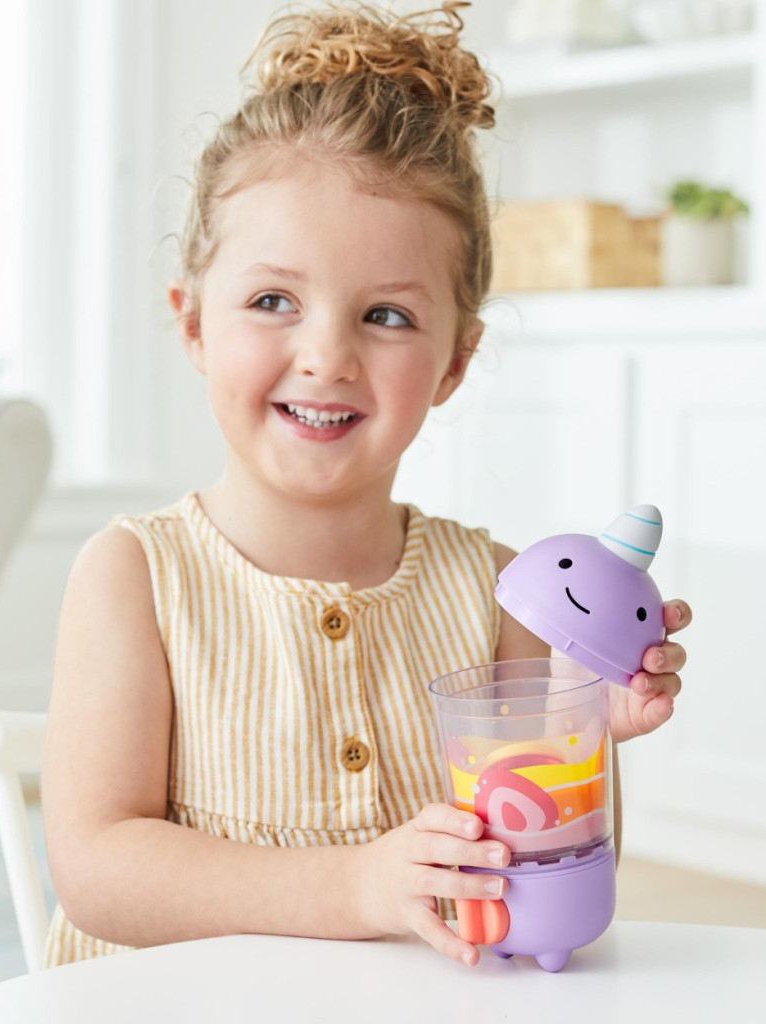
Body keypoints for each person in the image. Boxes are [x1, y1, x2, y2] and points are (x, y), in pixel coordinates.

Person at [42, 0, 691, 970]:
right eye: (273, 300)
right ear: (193, 323)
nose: (326, 356)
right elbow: (98, 868)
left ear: (455, 362)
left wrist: (583, 727)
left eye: (386, 315)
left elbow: (548, 887)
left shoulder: (503, 594)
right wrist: (353, 886)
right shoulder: (134, 576)